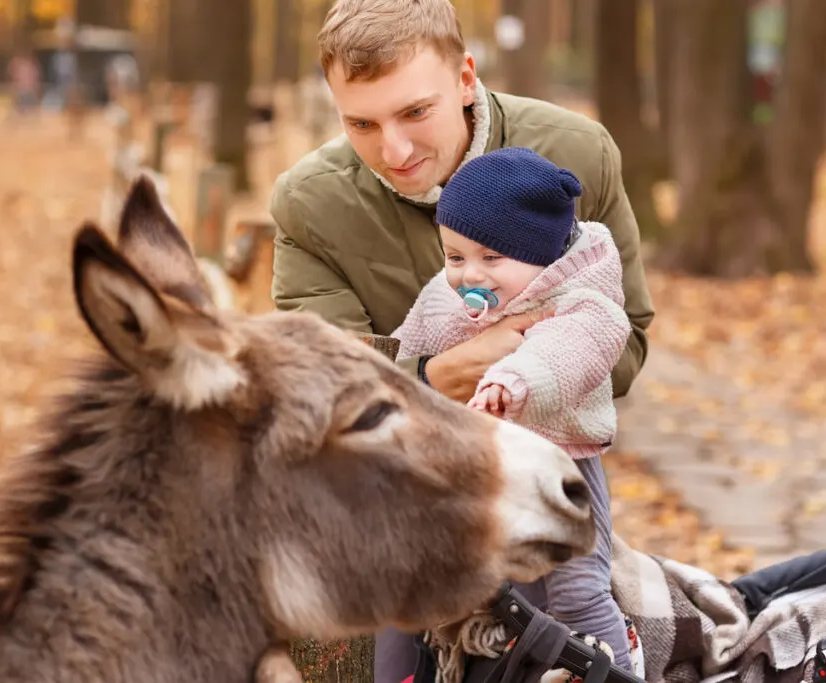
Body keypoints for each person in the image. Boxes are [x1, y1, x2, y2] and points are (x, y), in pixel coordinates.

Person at [267, 0, 656, 678]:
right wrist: (435, 373)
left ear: (466, 78)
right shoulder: (311, 206)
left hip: (541, 451)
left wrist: (528, 360)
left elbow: (626, 348)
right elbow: (324, 387)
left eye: (416, 112)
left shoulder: (575, 154)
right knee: (330, 635)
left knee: (560, 621)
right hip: (384, 487)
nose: (394, 149)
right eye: (361, 123)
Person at [390, 146, 633, 678]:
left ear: (541, 254)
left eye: (490, 258)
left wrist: (511, 381)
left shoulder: (582, 301)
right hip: (479, 463)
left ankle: (619, 671)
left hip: (561, 461)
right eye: (454, 257)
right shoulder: (451, 295)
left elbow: (569, 352)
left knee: (577, 593)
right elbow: (406, 350)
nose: (467, 274)